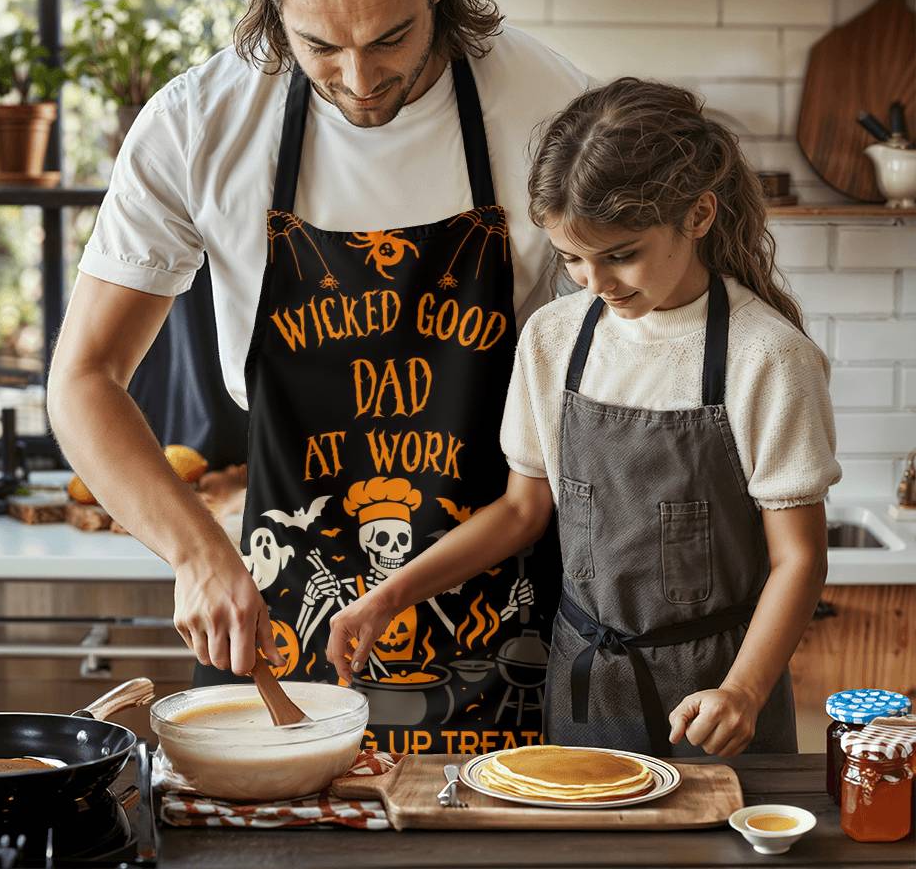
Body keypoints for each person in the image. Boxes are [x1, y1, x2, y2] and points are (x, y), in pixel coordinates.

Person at [47, 0, 591, 755]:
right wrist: (193, 553)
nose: (360, 78)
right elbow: (82, 380)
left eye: (390, 39)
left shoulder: (550, 111)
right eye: (319, 47)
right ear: (270, 5)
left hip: (509, 605)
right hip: (273, 604)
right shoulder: (199, 125)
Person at [327, 77, 841, 757]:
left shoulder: (767, 356)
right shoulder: (554, 337)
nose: (594, 283)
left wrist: (742, 691)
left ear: (698, 215)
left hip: (714, 700)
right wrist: (388, 596)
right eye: (572, 258)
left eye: (620, 254)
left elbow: (799, 558)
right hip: (585, 690)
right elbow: (520, 513)